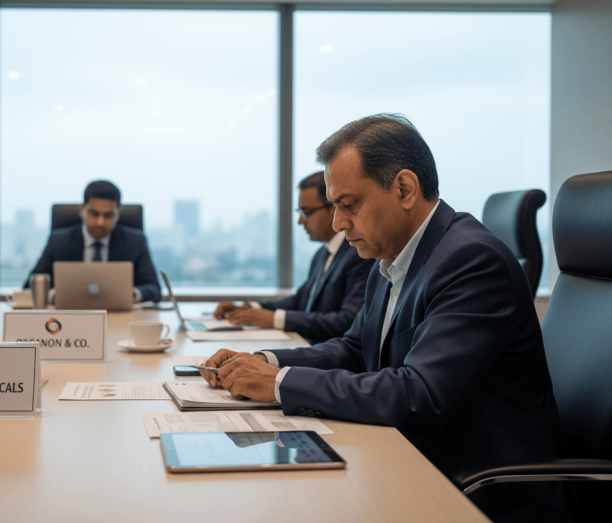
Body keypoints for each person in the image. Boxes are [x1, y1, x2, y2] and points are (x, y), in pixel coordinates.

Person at [201, 114, 567, 522]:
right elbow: (356, 347)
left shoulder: (470, 261)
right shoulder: (392, 253)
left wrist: (280, 384)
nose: (339, 223)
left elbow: (419, 395)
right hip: (414, 458)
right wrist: (266, 364)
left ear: (405, 188)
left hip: (478, 488)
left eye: (349, 204)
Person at [213, 172, 373, 343]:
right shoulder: (323, 254)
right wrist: (250, 308)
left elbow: (348, 321)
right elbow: (300, 301)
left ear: (334, 207)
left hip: (331, 356)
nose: (300, 222)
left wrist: (274, 319)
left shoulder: (359, 254)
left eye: (306, 212)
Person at [25, 180, 161, 303]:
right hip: (70, 317)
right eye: (94, 214)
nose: (100, 222)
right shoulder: (59, 241)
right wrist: (54, 295)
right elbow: (29, 286)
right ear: (81, 210)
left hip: (119, 318)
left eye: (108, 215)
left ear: (118, 213)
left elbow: (154, 289)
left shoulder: (135, 242)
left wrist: (132, 294)